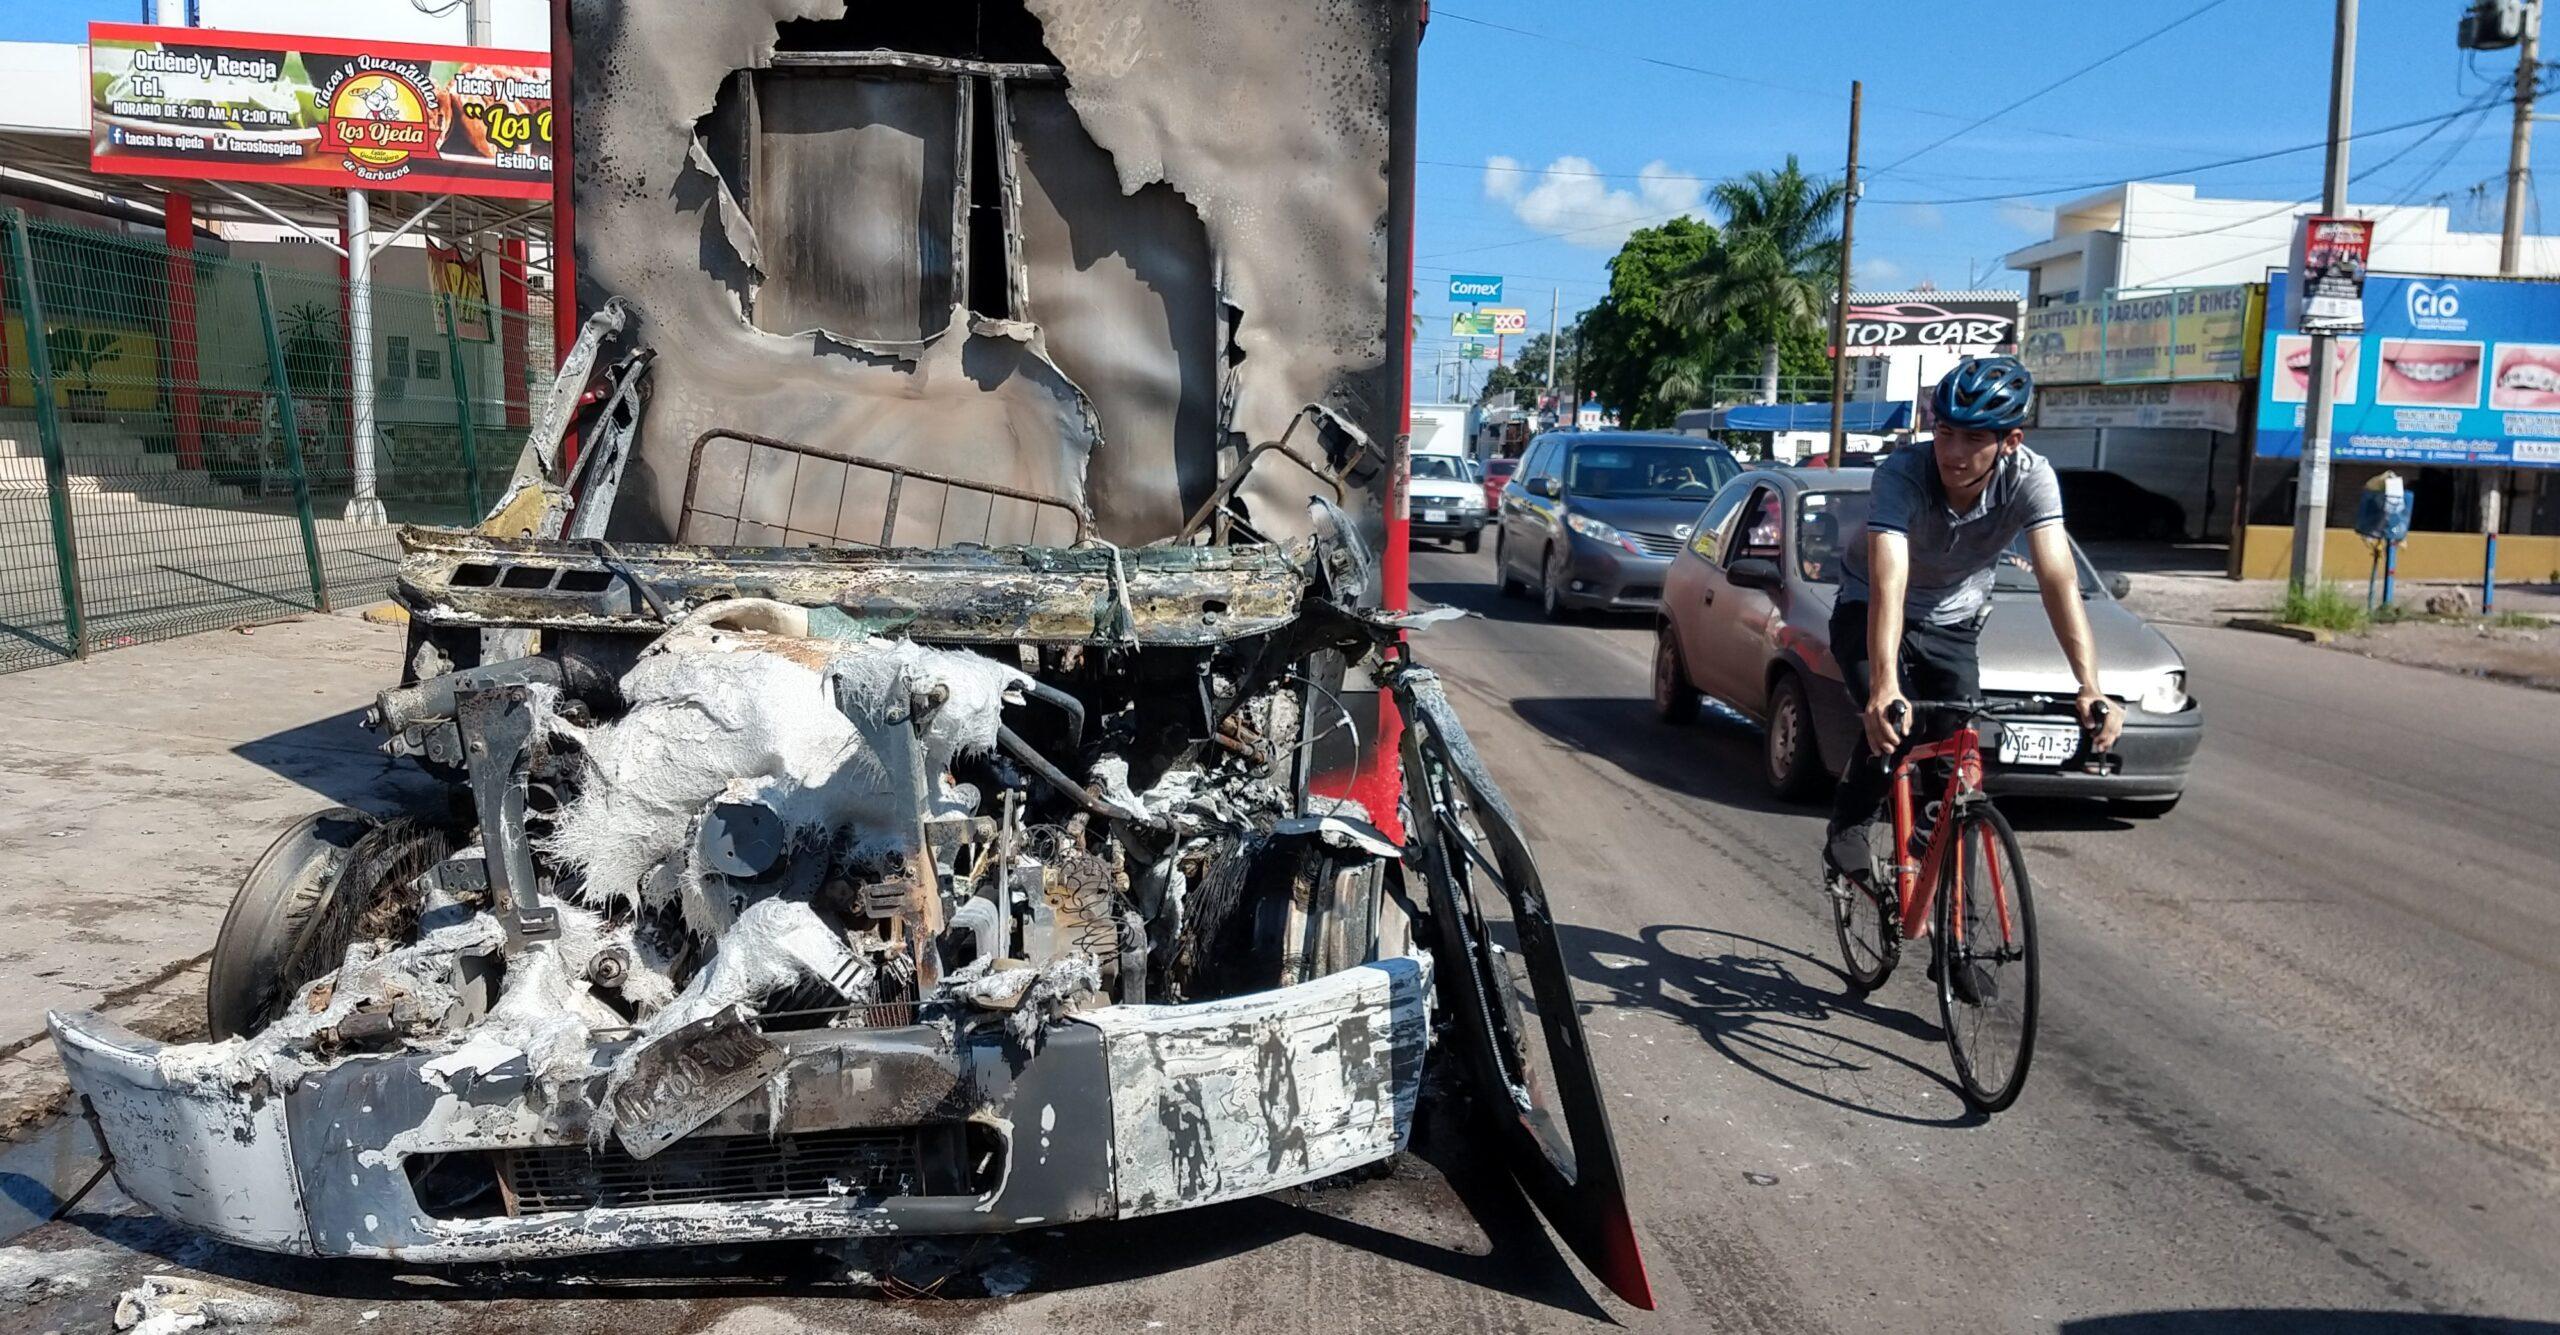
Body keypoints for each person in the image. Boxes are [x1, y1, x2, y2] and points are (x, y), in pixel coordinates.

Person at [1823, 355, 2125, 895]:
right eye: (1945, 432)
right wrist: (1886, 684)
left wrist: (2090, 684)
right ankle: (1849, 824)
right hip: (1869, 603)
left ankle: (1958, 950)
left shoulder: (2032, 478)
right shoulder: (1902, 475)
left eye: (1973, 438)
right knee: (1893, 721)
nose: (1954, 452)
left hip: (1954, 619)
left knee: (1957, 768)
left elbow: (2058, 577)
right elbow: (1890, 576)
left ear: (2010, 440)